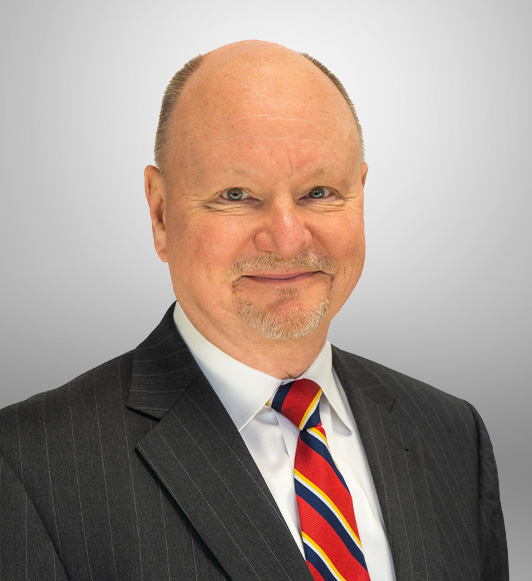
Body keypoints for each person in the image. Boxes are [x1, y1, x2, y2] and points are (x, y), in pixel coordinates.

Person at [0, 40, 508, 581]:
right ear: (160, 212)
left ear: (361, 192)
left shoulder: (454, 435)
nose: (287, 240)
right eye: (237, 194)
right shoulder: (29, 468)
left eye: (319, 191)